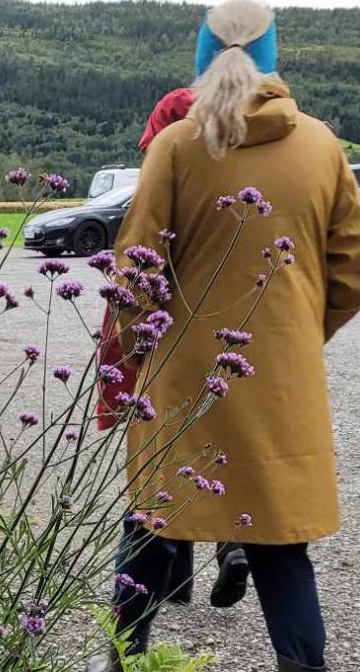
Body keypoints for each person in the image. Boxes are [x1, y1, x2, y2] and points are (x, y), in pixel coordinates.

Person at [84, 0, 360, 672]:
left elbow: (135, 270)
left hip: (182, 382)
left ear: (202, 56)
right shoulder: (322, 147)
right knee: (283, 551)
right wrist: (293, 338)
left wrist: (146, 350)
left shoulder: (177, 146)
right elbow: (352, 270)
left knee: (149, 525)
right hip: (281, 386)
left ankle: (120, 671)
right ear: (275, 58)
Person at [96, 86, 250, 614]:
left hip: (170, 333)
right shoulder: (245, 173)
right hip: (234, 323)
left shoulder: (168, 146)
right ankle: (230, 544)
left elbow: (138, 271)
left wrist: (131, 350)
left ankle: (125, 643)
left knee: (156, 474)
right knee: (218, 441)